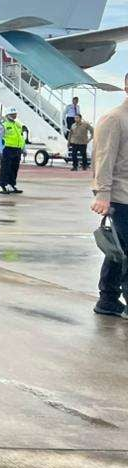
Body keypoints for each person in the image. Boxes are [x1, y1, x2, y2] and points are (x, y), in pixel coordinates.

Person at [91, 75, 128, 318]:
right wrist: (102, 194)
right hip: (120, 197)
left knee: (119, 251)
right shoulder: (114, 119)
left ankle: (107, 299)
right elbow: (103, 160)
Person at [0, 108, 26, 194]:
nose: (14, 115)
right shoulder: (3, 125)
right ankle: (1, 186)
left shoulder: (18, 125)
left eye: (15, 114)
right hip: (7, 149)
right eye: (12, 114)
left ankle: (11, 185)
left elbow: (21, 138)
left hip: (17, 149)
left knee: (14, 168)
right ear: (7, 115)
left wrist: (24, 149)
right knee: (5, 168)